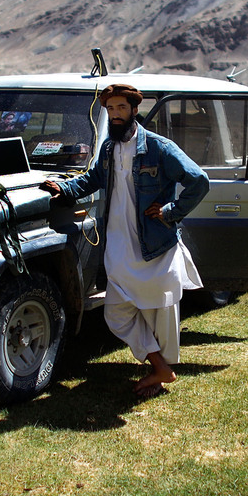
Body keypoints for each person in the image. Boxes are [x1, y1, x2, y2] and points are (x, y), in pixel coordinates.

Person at [40, 84, 209, 398]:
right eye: (110, 109)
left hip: (154, 245)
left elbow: (199, 181)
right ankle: (160, 365)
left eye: (121, 108)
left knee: (161, 312)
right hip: (118, 245)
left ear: (134, 110)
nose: (115, 115)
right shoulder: (108, 148)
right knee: (116, 313)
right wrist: (66, 189)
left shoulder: (159, 147)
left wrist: (171, 211)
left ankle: (159, 376)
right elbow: (93, 178)